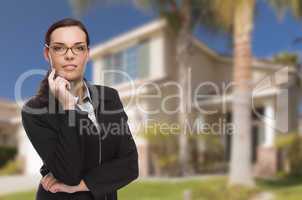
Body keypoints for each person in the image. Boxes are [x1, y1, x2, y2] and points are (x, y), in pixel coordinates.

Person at [21, 18, 139, 200]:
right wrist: (69, 108)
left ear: (87, 53)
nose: (70, 55)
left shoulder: (110, 97)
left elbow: (130, 165)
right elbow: (68, 174)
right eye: (60, 48)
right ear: (48, 53)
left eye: (79, 47)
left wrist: (81, 185)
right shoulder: (35, 111)